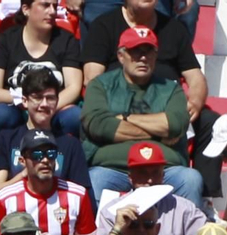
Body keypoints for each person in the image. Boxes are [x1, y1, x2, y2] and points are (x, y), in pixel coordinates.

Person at [82, 0, 216, 197]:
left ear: (156, 54)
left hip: (164, 168)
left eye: (148, 52)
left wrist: (125, 119)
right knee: (95, 180)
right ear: (121, 56)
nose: (143, 58)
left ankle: (206, 203)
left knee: (191, 178)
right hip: (113, 167)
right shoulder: (102, 80)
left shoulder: (171, 88)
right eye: (136, 51)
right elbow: (100, 124)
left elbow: (178, 122)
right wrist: (159, 131)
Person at [0, 130, 96, 235]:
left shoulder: (77, 194)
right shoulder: (5, 198)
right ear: (22, 161)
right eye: (37, 155)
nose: (44, 160)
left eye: (50, 154)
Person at [0, 0, 84, 134]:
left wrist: (46, 106)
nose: (52, 11)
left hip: (54, 109)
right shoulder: (7, 39)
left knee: (74, 117)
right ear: (26, 9)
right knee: (0, 116)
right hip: (16, 108)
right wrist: (28, 102)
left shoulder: (66, 40)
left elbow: (73, 87)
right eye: (45, 5)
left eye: (54, 6)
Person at [0, 69, 93, 191]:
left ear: (57, 102)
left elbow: (82, 194)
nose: (44, 104)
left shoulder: (71, 145)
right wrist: (25, 174)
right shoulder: (6, 139)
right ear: (25, 101)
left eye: (50, 98)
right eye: (37, 98)